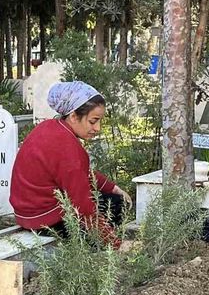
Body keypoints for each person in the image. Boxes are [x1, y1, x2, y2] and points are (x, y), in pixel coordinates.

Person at [9, 81, 132, 247]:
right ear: (73, 116)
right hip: (46, 219)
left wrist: (111, 187)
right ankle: (95, 249)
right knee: (116, 204)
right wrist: (113, 243)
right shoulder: (67, 147)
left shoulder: (49, 127)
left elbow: (81, 172)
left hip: (27, 213)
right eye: (93, 121)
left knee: (112, 197)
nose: (97, 128)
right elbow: (83, 205)